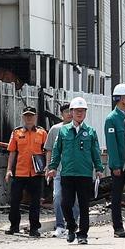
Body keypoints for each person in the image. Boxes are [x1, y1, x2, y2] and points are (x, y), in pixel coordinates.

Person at [46, 97, 104, 246]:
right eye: (76, 111)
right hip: (67, 173)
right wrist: (52, 167)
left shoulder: (90, 131)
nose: (79, 113)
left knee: (84, 205)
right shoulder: (63, 131)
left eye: (82, 111)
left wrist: (99, 168)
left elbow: (95, 152)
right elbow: (56, 151)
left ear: (85, 113)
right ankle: (71, 226)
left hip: (84, 174)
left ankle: (82, 234)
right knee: (65, 203)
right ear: (71, 112)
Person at [5, 106, 47, 236]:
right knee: (15, 200)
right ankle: (14, 226)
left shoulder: (42, 133)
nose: (29, 118)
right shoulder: (16, 133)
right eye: (26, 116)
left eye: (31, 116)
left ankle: (34, 228)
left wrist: (47, 167)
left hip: (36, 173)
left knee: (35, 202)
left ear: (35, 117)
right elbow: (12, 152)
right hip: (20, 172)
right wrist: (8, 170)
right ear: (23, 117)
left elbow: (47, 152)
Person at [105, 83, 125, 238]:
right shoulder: (112, 119)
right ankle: (118, 227)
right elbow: (112, 144)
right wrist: (115, 165)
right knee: (116, 197)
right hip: (119, 165)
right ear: (123, 98)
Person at [48, 102, 78, 238]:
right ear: (62, 114)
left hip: (75, 170)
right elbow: (49, 149)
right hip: (59, 170)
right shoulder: (55, 129)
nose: (69, 114)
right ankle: (60, 225)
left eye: (71, 111)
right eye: (66, 112)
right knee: (57, 196)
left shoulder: (79, 128)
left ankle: (73, 224)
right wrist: (49, 167)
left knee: (75, 199)